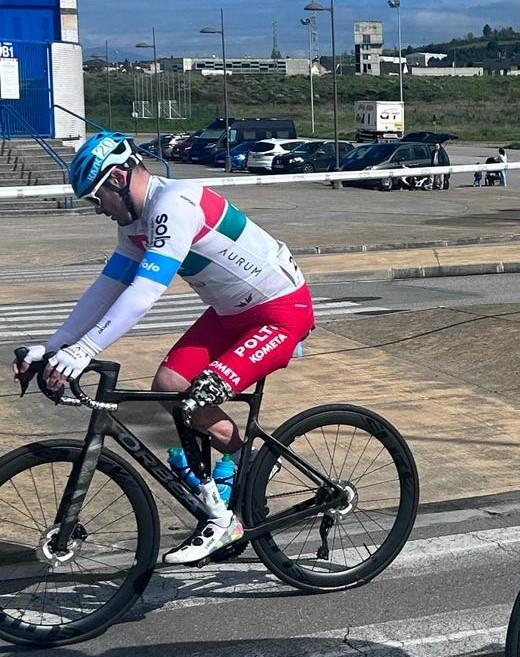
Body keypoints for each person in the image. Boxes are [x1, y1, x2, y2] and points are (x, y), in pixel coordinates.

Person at [12, 131, 314, 565]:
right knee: (168, 386)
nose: (97, 209)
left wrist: (83, 351)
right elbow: (107, 288)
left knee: (194, 399)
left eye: (96, 198)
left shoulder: (174, 204)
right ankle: (247, 464)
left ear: (117, 178)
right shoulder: (134, 224)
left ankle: (235, 498)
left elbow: (145, 292)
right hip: (231, 313)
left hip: (281, 312)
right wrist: (55, 344)